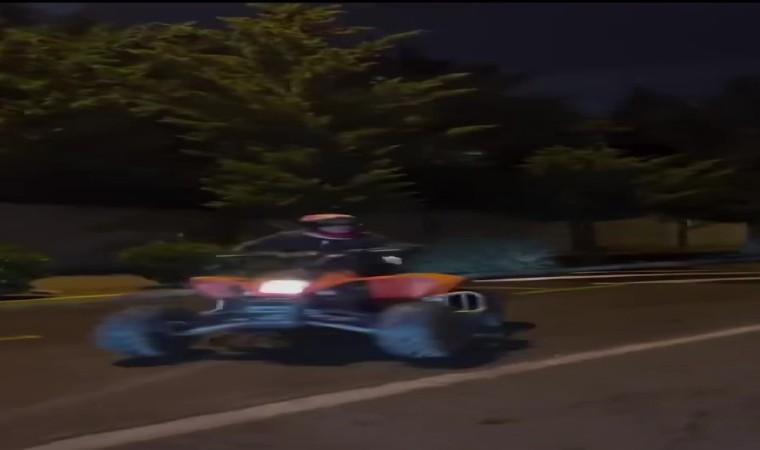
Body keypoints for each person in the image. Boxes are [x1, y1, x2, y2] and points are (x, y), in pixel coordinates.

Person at [234, 214, 409, 275]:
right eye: (333, 223)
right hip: (300, 277)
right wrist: (243, 252)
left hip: (356, 280)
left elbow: (399, 253)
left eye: (346, 223)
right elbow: (249, 249)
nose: (341, 226)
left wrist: (379, 257)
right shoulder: (291, 237)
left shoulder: (369, 239)